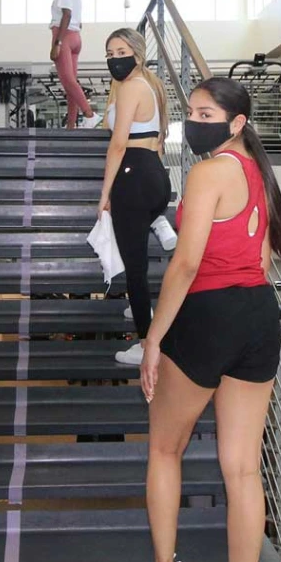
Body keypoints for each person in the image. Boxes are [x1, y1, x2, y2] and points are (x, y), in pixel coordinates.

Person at [139, 77, 281, 562]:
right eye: (189, 111)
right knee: (243, 470)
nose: (192, 120)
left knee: (164, 448)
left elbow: (184, 264)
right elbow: (259, 257)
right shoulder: (257, 174)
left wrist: (154, 337)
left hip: (206, 314)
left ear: (235, 122)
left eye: (204, 112)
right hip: (257, 317)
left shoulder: (208, 174)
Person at [95, 29, 176, 365]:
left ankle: (145, 345)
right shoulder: (150, 86)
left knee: (135, 268)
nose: (115, 58)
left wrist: (105, 194)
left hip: (135, 174)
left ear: (138, 54)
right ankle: (159, 222)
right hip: (154, 173)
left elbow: (117, 144)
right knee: (137, 261)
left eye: (122, 51)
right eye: (110, 53)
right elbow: (155, 138)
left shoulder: (130, 87)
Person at [49, 0, 102, 130]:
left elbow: (67, 14)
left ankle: (90, 114)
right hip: (76, 37)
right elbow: (77, 20)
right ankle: (71, 124)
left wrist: (57, 43)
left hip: (64, 36)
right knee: (71, 83)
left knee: (67, 81)